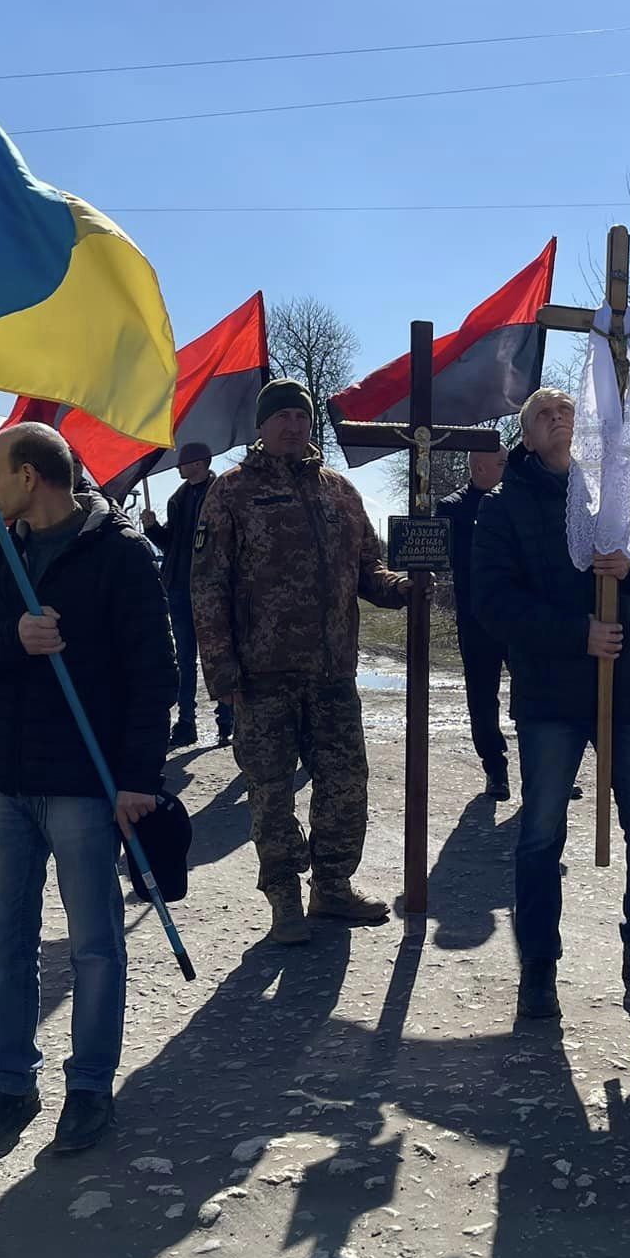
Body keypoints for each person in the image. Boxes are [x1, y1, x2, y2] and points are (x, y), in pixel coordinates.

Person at [0, 422, 177, 1155]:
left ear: (32, 476)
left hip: (85, 781)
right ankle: (9, 1084)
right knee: (2, 945)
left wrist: (139, 779)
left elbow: (154, 675)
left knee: (94, 945)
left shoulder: (123, 554)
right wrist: (14, 636)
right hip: (5, 779)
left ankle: (89, 1087)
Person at [472, 388, 630, 1021]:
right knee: (540, 833)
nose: (559, 417)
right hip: (552, 695)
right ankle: (538, 966)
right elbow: (493, 603)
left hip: (629, 684)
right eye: (543, 414)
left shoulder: (616, 495)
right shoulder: (502, 509)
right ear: (526, 438)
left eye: (567, 409)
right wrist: (574, 632)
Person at [191, 378, 410, 944]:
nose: (293, 425)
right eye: (282, 416)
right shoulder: (232, 492)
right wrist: (221, 672)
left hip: (333, 673)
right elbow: (208, 586)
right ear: (262, 427)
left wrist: (409, 586)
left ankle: (332, 886)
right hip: (262, 676)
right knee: (270, 789)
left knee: (345, 784)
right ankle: (284, 899)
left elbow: (370, 573)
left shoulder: (340, 492)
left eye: (301, 417)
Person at [141, 441, 232, 751]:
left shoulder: (223, 494)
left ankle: (227, 721)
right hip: (180, 587)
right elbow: (172, 543)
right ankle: (186, 724)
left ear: (200, 463)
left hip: (214, 588)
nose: (178, 465)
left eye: (184, 461)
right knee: (185, 657)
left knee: (218, 654)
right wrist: (153, 529)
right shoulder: (177, 500)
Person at [436, 447, 513, 801]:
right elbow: (447, 559)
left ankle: (543, 768)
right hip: (477, 617)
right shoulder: (452, 507)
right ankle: (494, 768)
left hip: (519, 614)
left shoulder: (518, 498)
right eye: (501, 462)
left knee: (533, 689)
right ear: (480, 466)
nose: (506, 467)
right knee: (482, 697)